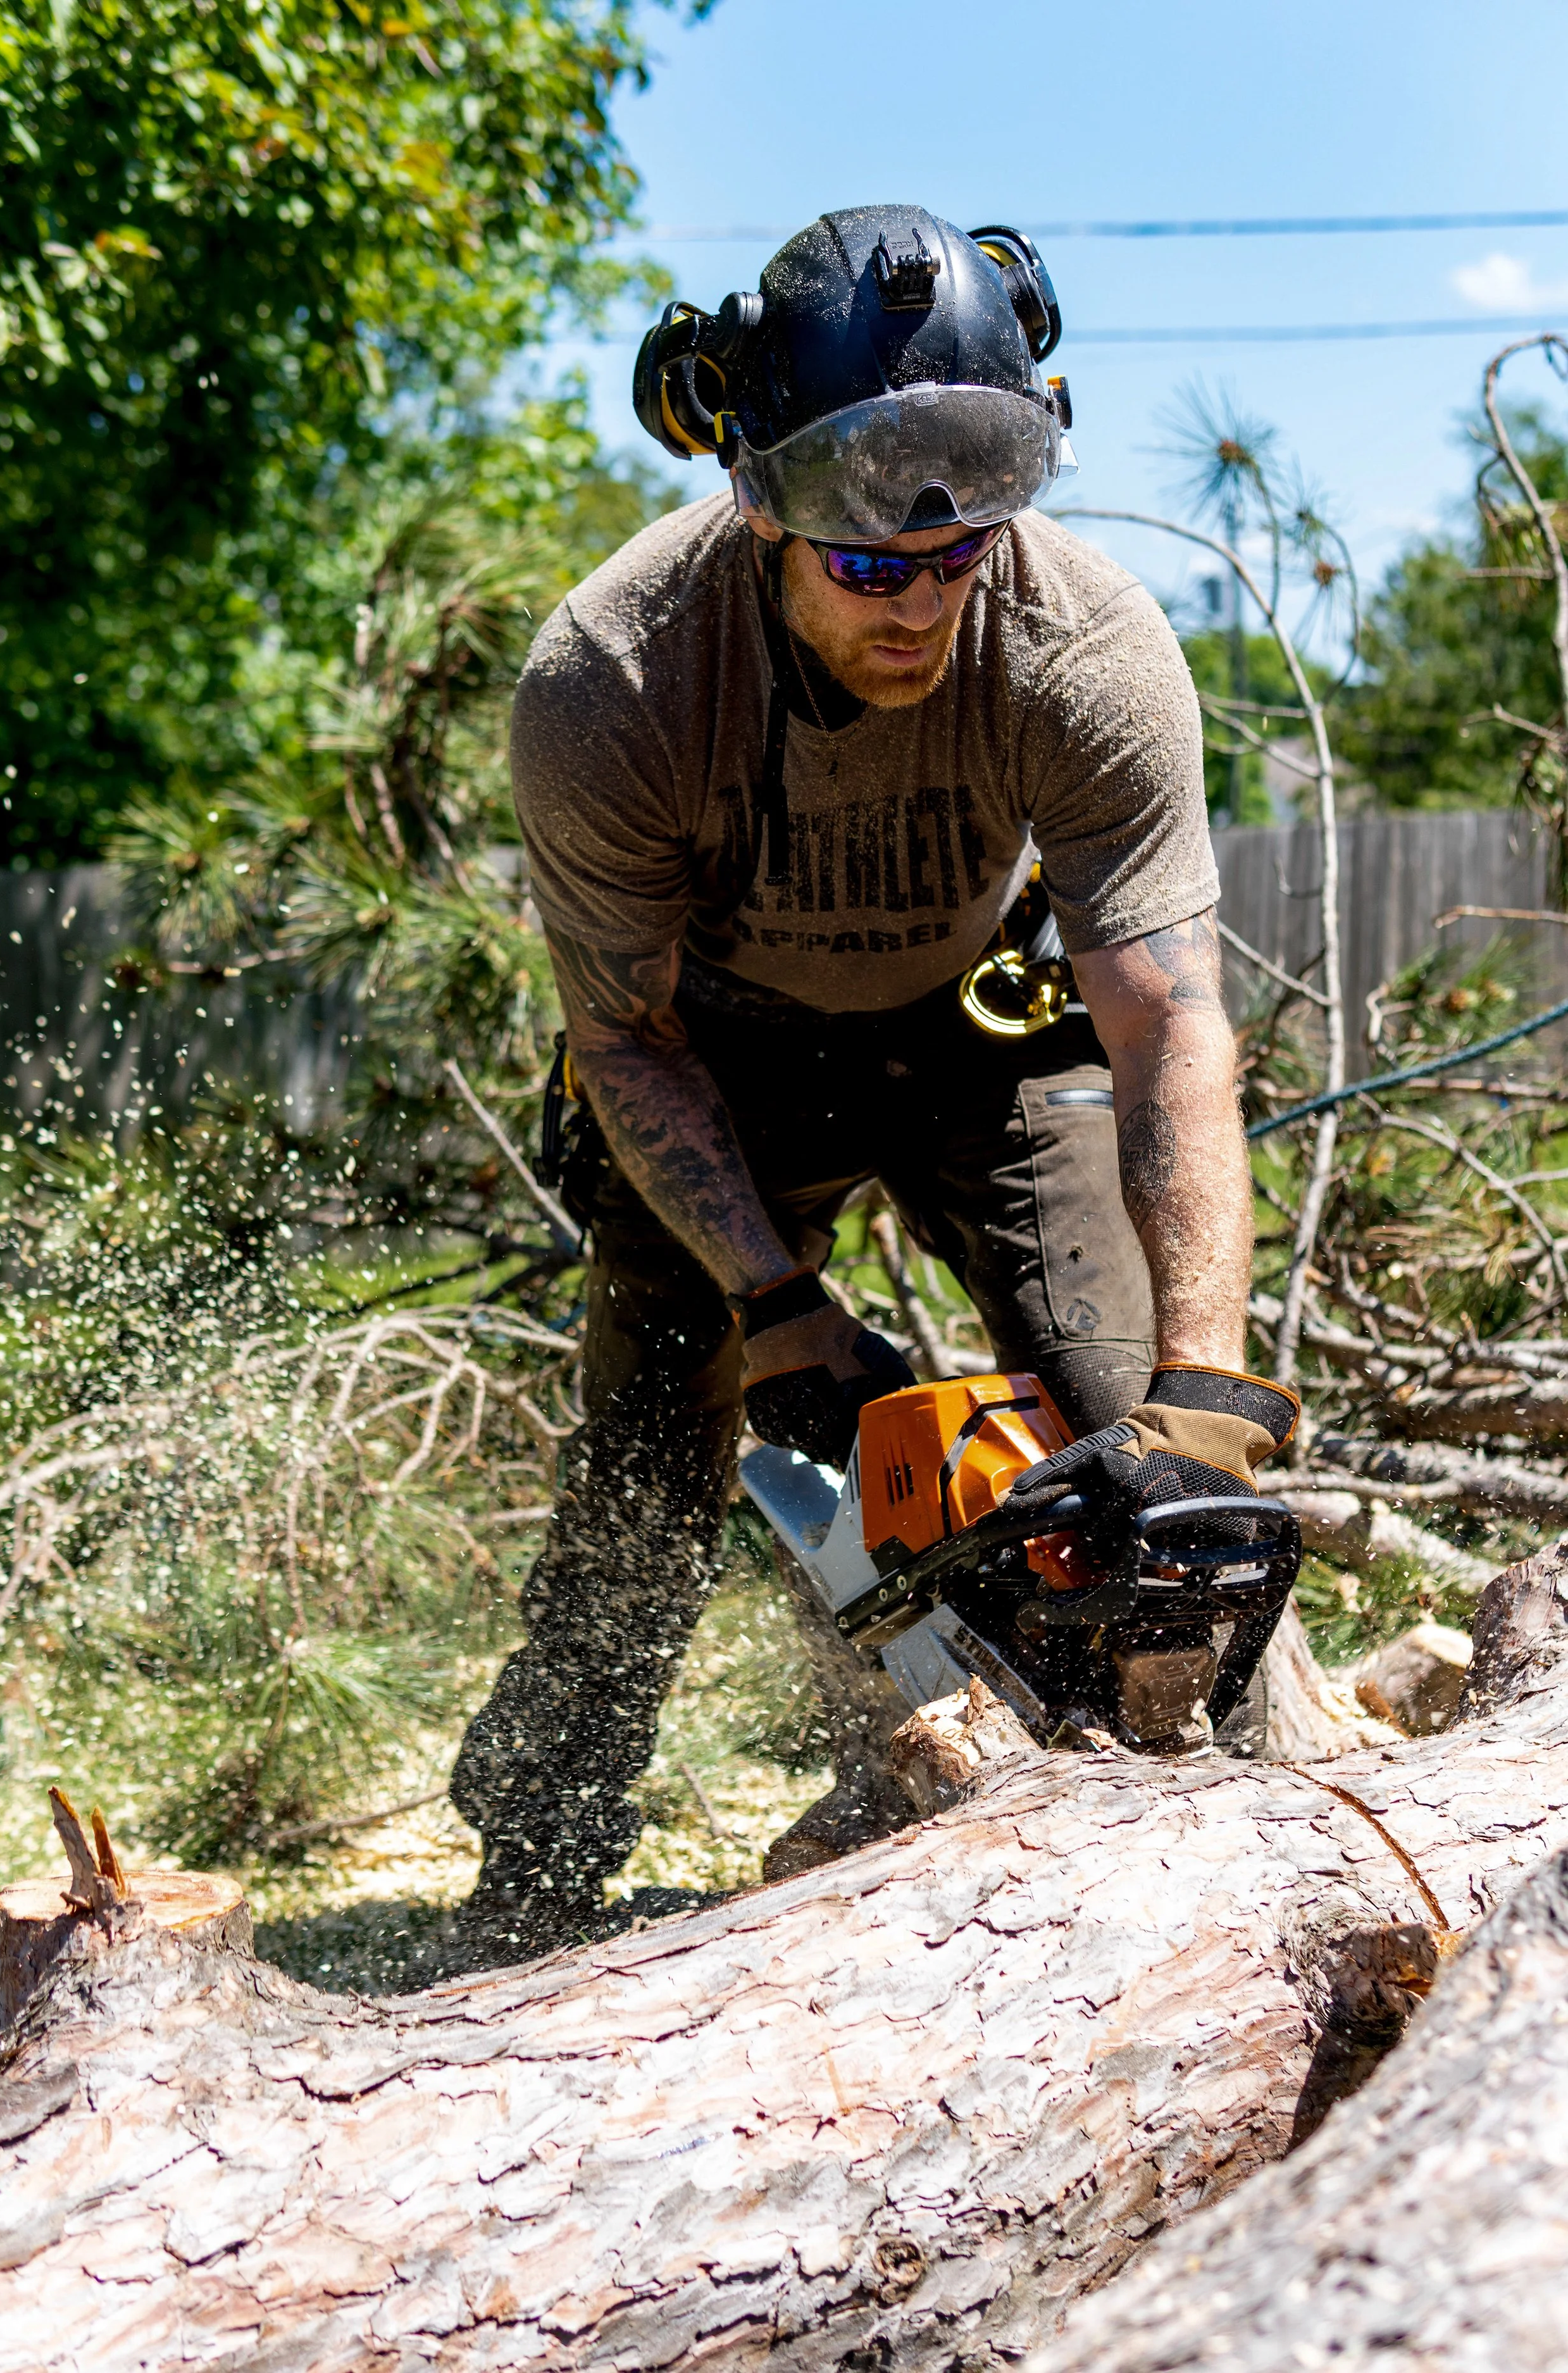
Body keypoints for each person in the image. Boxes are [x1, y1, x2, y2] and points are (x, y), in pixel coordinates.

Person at [447, 204, 1295, 1968]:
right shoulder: (613, 679)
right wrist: (774, 1300)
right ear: (756, 495)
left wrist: (1208, 1388)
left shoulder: (1082, 644)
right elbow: (623, 1035)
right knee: (649, 1430)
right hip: (719, 1046)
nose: (921, 588)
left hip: (978, 1027)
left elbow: (1166, 1018)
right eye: (870, 558)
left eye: (963, 535)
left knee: (1134, 1416)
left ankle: (1210, 1804)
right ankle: (532, 1872)